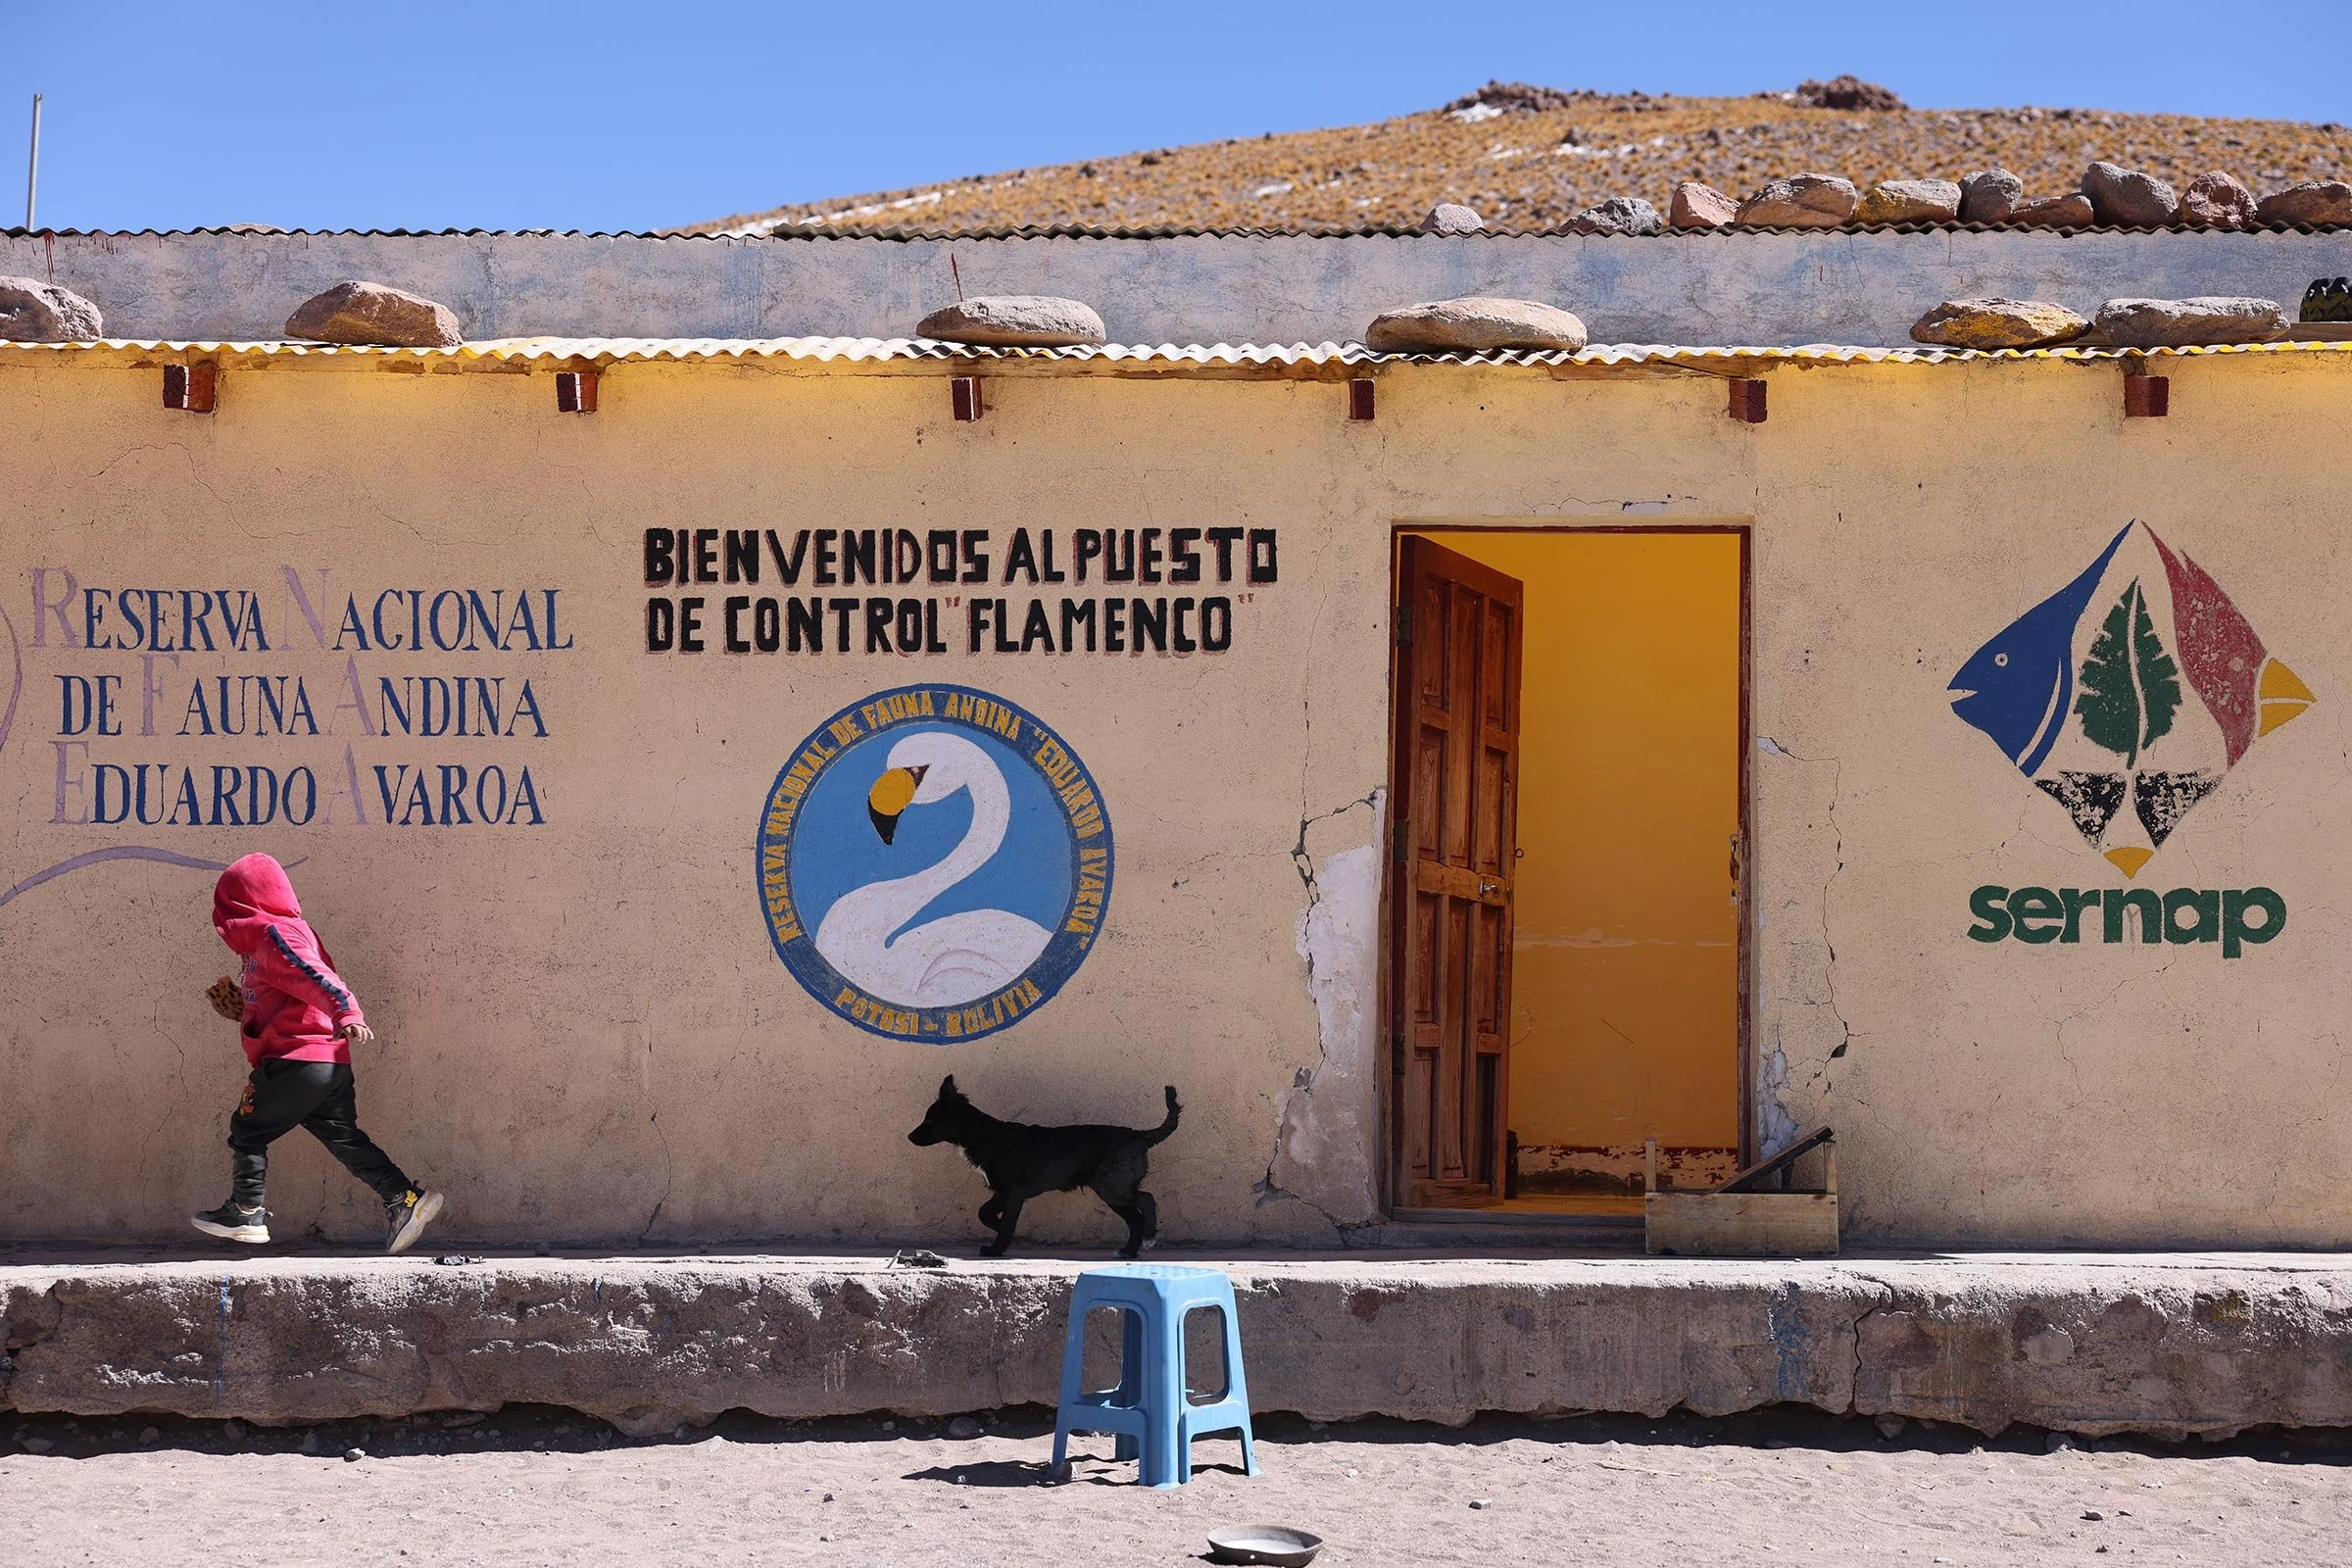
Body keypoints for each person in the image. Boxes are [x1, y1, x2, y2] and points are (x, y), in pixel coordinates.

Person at [190, 853, 445, 1253]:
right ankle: (404, 1199)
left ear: (240, 902)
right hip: (325, 1061)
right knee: (342, 1137)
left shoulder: (276, 933)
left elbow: (313, 975)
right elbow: (287, 995)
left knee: (249, 1128)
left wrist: (347, 1010)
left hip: (297, 1061)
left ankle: (246, 1211)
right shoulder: (274, 937)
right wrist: (245, 1011)